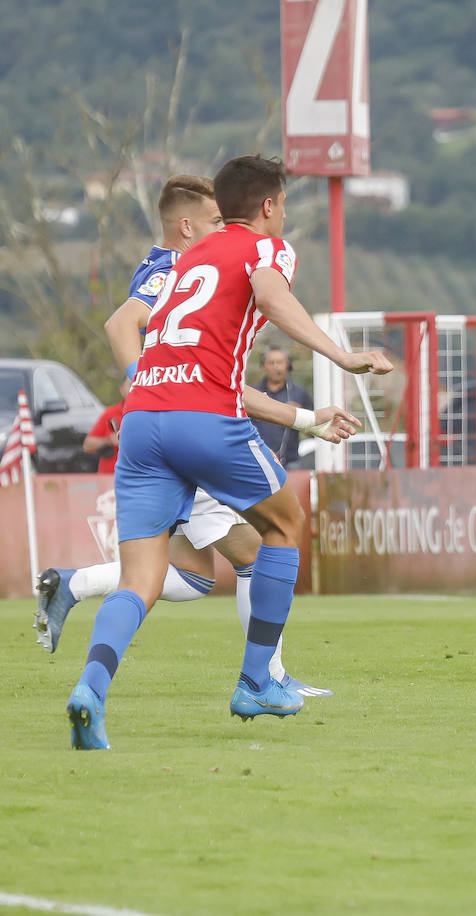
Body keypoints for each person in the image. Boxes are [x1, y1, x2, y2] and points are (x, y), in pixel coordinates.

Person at [63, 155, 392, 750]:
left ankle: (90, 689)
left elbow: (152, 341)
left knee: (141, 580)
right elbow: (268, 297)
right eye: (283, 205)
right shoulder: (266, 249)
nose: (284, 215)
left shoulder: (182, 264)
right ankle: (257, 681)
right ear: (268, 206)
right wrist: (341, 357)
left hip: (140, 421)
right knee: (286, 525)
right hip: (205, 421)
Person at [251, 347, 312, 467]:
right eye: (271, 363)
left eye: (279, 362)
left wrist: (300, 416)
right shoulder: (253, 393)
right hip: (258, 462)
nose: (276, 367)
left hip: (290, 463)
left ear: (288, 366)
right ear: (263, 366)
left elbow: (312, 433)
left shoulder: (299, 393)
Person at [83, 379, 131, 474]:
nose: (134, 389)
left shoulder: (150, 414)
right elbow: (87, 445)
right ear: (122, 389)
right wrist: (109, 441)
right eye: (130, 385)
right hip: (109, 478)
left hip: (138, 479)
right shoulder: (111, 413)